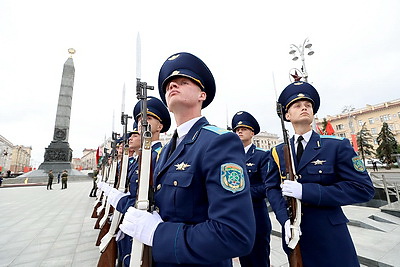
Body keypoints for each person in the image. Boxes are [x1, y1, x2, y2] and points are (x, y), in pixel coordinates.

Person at [119, 52, 255, 266]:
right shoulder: (165, 152)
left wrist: (157, 233)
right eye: (169, 85)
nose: (173, 85)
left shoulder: (219, 142)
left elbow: (234, 234)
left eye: (183, 82)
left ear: (202, 95)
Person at [265, 81, 375, 266]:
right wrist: (284, 220)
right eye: (297, 105)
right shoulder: (278, 152)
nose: (304, 108)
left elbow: (363, 189)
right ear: (287, 115)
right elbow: (272, 188)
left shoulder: (336, 146)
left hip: (329, 235)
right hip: (294, 235)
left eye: (308, 105)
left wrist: (306, 191)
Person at [99, 98, 171, 266]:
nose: (141, 123)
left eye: (148, 118)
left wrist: (122, 201)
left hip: (147, 224)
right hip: (132, 219)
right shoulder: (141, 157)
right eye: (139, 120)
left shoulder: (161, 155)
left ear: (160, 127)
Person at [231, 111, 271, 267]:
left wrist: (242, 192)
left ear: (252, 132)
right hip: (237, 218)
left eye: (244, 129)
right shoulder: (230, 157)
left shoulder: (262, 155)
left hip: (256, 216)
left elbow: (267, 186)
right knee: (245, 260)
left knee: (259, 260)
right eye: (237, 130)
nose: (240, 131)